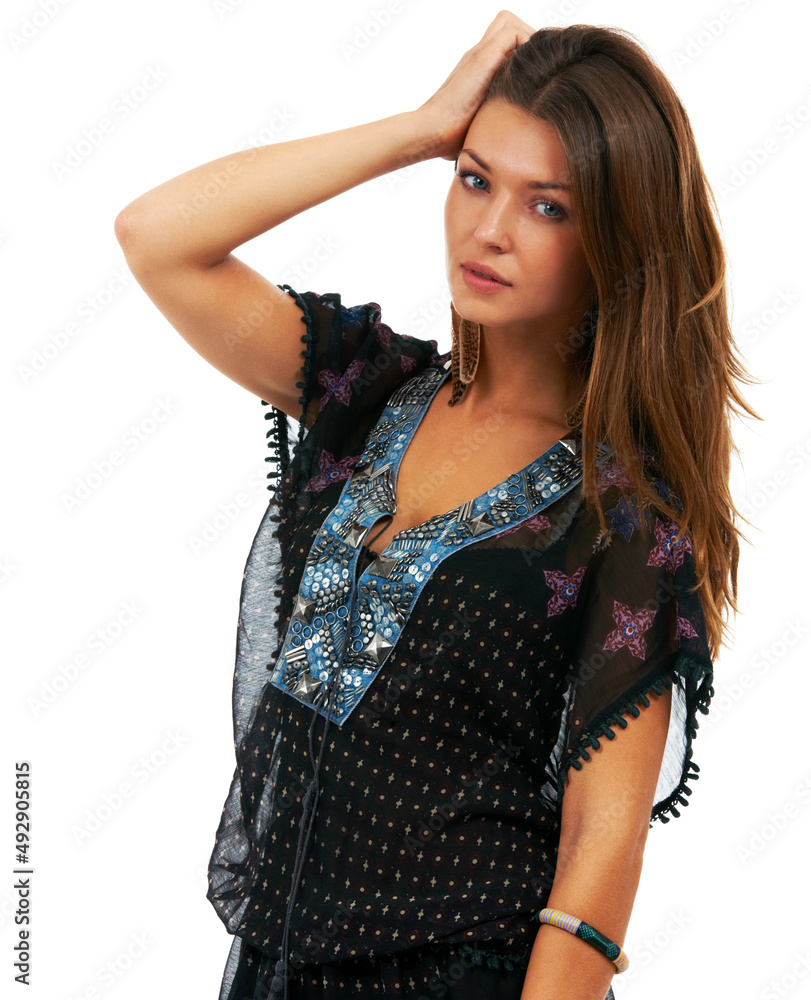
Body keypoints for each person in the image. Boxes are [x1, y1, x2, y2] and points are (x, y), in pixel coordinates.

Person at [114, 11, 756, 1000]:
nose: (489, 229)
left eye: (549, 206)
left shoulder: (620, 516)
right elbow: (158, 238)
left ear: (616, 238)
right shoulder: (363, 391)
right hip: (277, 969)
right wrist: (421, 127)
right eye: (473, 178)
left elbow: (600, 839)